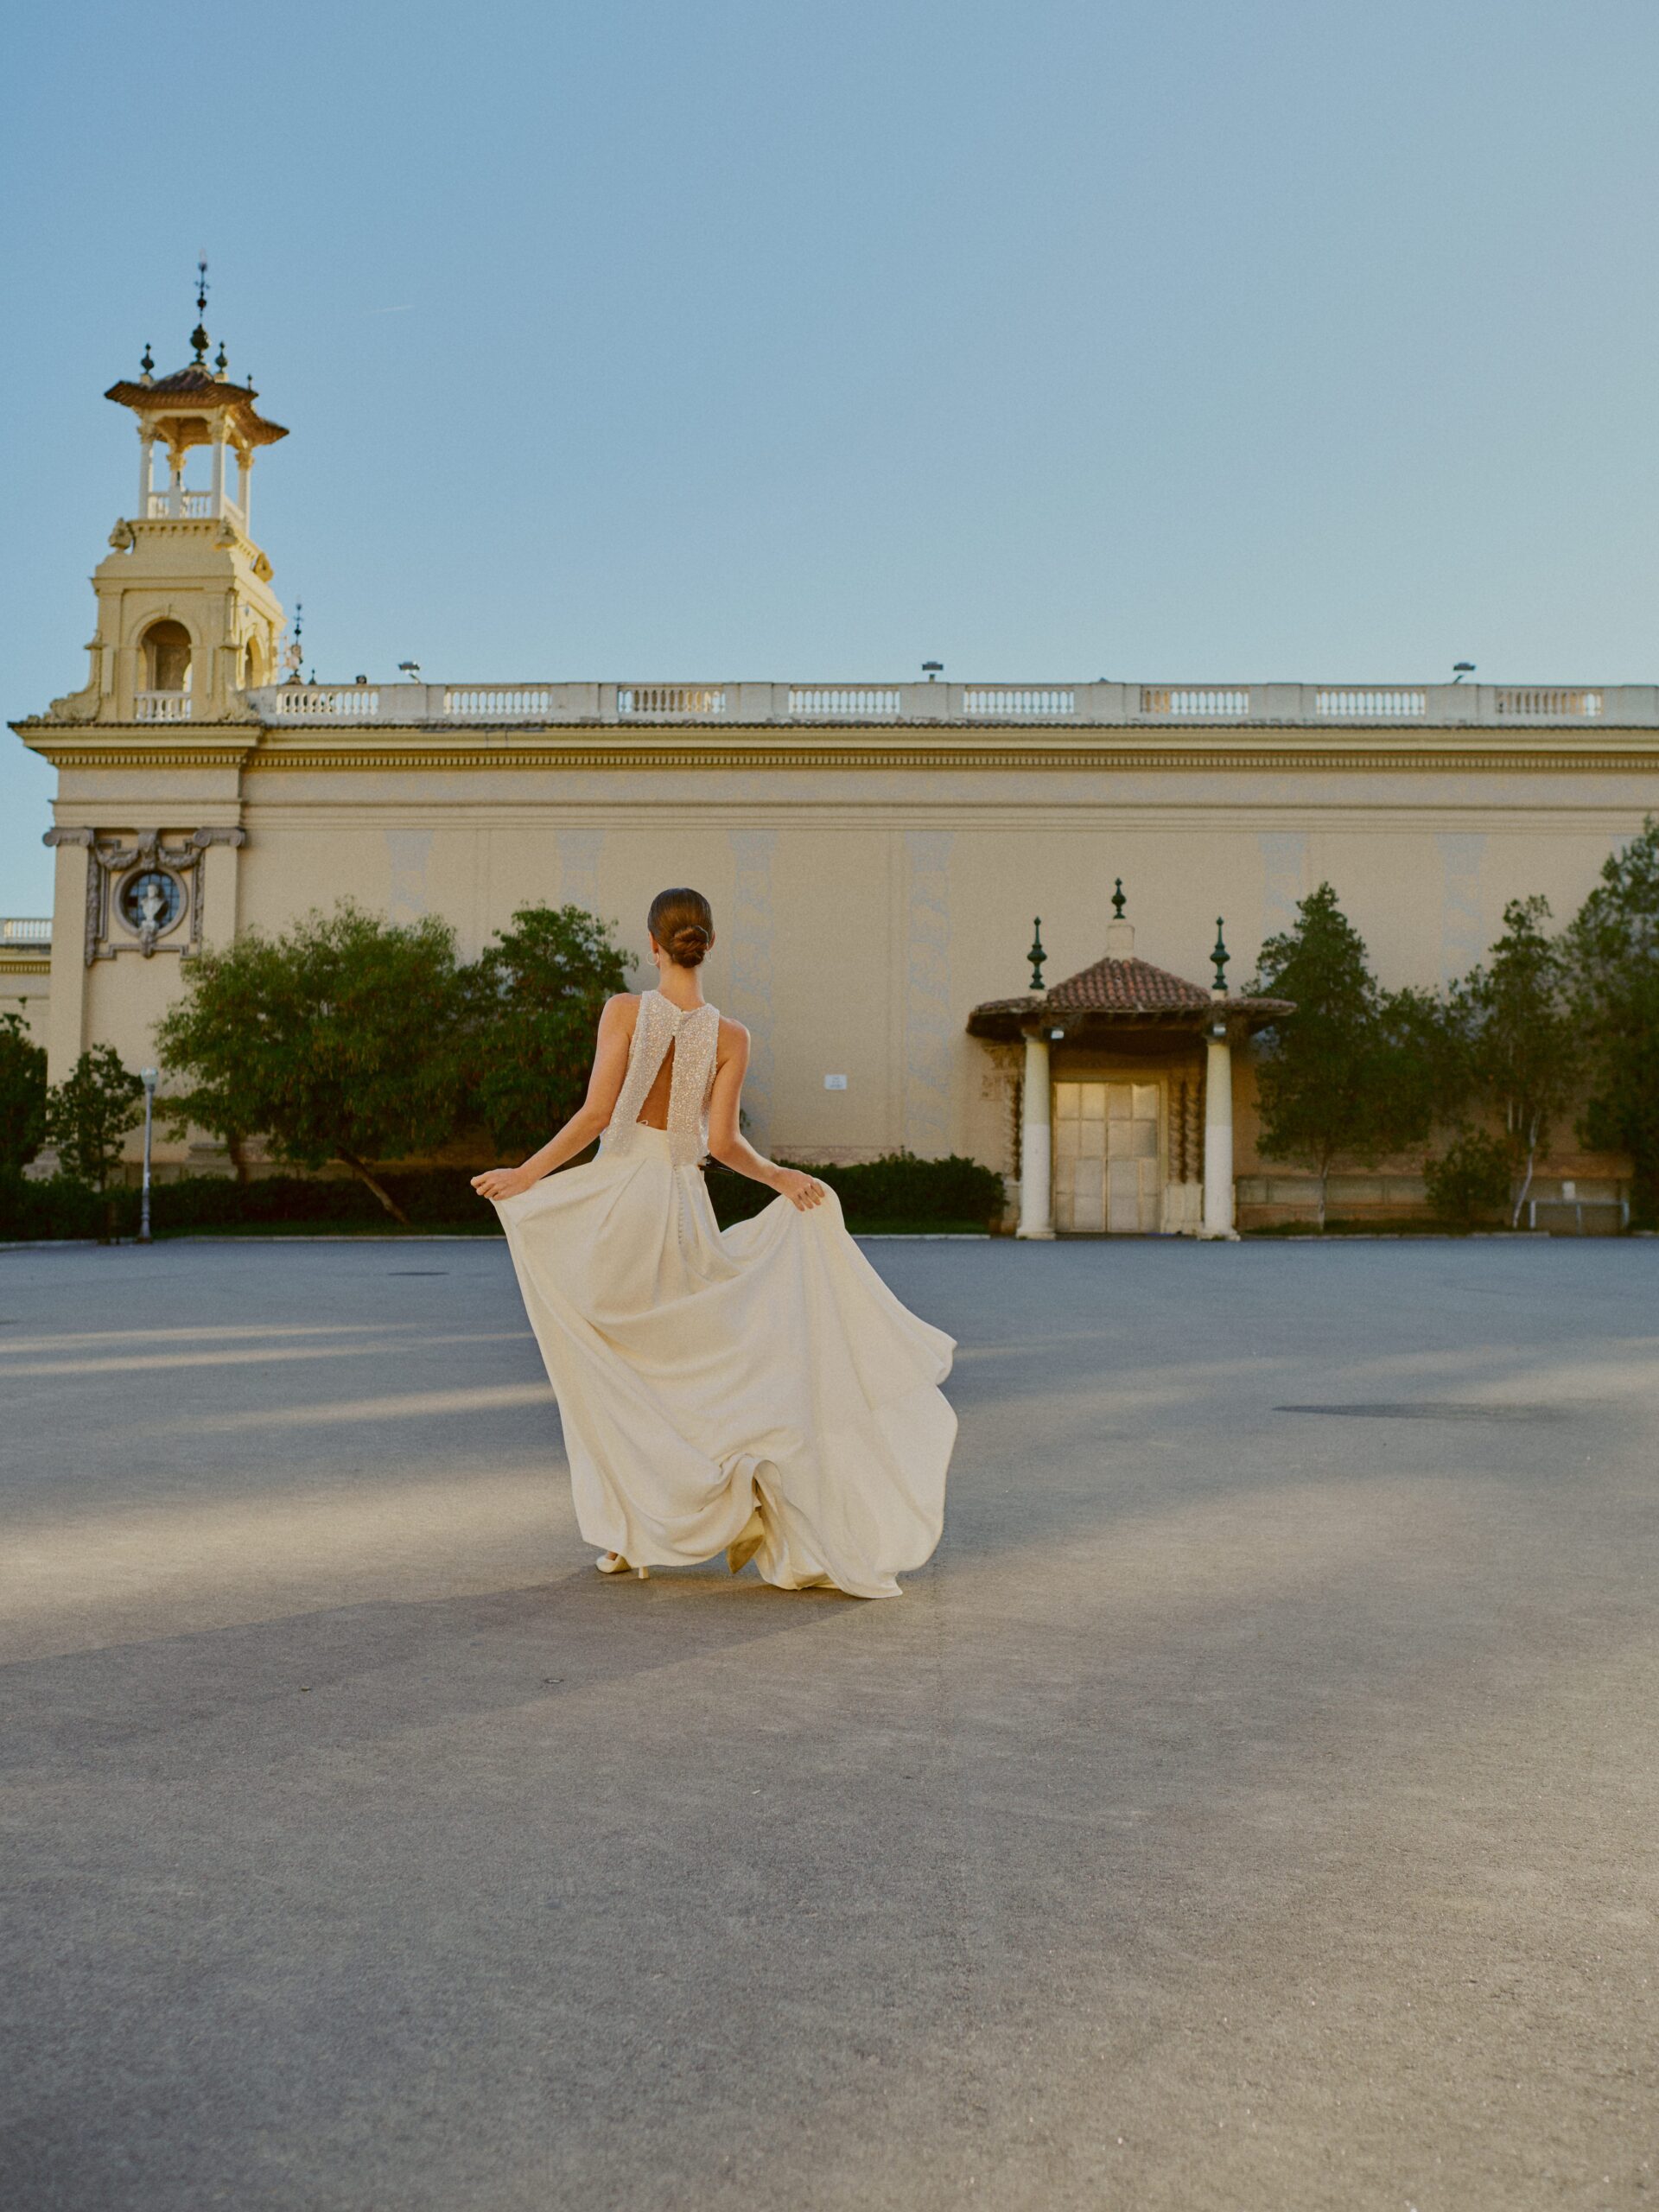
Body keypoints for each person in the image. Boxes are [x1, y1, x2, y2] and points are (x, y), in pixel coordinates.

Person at [472, 887, 956, 1598]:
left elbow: (598, 1113)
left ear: (654, 945)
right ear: (709, 944)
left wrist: (527, 1174)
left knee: (617, 1372)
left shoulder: (624, 1011)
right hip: (680, 1208)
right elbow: (724, 1144)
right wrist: (781, 1178)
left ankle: (633, 1529)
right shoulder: (732, 1036)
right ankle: (725, 1491)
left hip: (617, 1207)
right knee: (694, 1366)